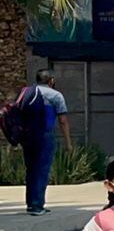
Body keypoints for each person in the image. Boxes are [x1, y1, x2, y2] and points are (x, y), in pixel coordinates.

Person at [16, 69, 70, 216]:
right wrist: (68, 142)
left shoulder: (26, 93)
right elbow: (63, 120)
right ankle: (37, 206)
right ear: (51, 80)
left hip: (27, 136)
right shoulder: (55, 95)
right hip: (44, 136)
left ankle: (31, 203)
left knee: (31, 169)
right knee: (42, 170)